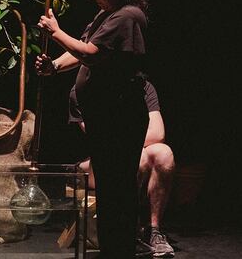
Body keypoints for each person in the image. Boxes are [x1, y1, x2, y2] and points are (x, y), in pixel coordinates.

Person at [36, 0, 149, 258]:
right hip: (105, 118)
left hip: (120, 118)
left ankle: (120, 251)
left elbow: (92, 54)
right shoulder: (107, 13)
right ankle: (113, 249)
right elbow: (83, 47)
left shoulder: (128, 16)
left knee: (118, 191)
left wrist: (56, 31)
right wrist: (55, 66)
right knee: (109, 189)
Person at [74, 80, 176, 257]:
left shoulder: (142, 86)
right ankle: (129, 233)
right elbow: (101, 141)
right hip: (94, 163)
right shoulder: (83, 88)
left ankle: (154, 231)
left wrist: (128, 142)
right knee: (137, 158)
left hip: (129, 152)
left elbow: (158, 133)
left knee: (164, 153)